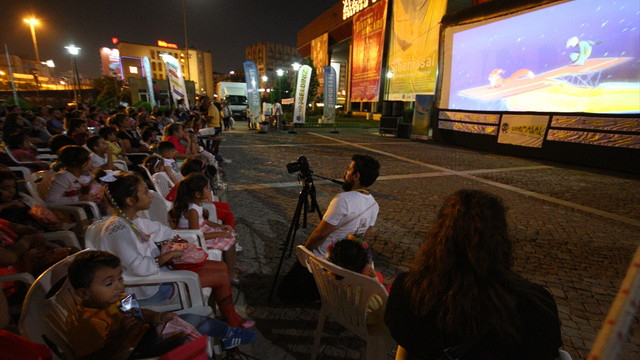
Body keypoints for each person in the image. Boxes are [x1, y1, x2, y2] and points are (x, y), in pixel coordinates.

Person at [384, 189, 562, 360]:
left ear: (438, 237)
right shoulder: (537, 308)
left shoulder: (408, 294)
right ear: (501, 241)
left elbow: (405, 342)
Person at [95, 171, 254, 328]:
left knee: (221, 267)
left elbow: (160, 230)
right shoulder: (118, 231)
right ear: (130, 200)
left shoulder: (131, 221)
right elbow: (139, 267)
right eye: (145, 192)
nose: (150, 195)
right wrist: (168, 255)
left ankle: (227, 316)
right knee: (220, 277)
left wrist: (176, 239)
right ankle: (231, 319)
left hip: (160, 273)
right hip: (151, 288)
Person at [66, 250, 257, 359]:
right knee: (183, 340)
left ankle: (229, 335)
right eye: (109, 283)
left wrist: (158, 317)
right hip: (133, 351)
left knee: (194, 319)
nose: (118, 286)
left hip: (146, 333)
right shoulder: (87, 323)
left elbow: (138, 312)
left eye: (119, 278)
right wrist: (119, 336)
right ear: (84, 293)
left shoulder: (116, 298)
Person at [278, 154, 380, 303]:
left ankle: (320, 293)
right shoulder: (374, 205)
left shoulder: (343, 200)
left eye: (349, 169)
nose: (345, 172)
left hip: (321, 262)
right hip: (342, 263)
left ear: (356, 176)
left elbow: (320, 234)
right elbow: (363, 239)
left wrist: (303, 253)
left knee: (284, 293)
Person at [173, 174, 244, 284]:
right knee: (228, 239)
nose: (209, 190)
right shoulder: (192, 211)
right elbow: (195, 236)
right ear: (197, 194)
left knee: (229, 233)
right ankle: (230, 272)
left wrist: (220, 227)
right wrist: (219, 234)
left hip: (201, 232)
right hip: (193, 239)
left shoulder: (197, 205)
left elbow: (203, 221)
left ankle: (233, 263)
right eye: (206, 188)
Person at [325, 235, 388, 324]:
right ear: (363, 267)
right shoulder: (363, 292)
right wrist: (375, 280)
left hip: (338, 306)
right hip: (365, 320)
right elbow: (381, 309)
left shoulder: (328, 276)